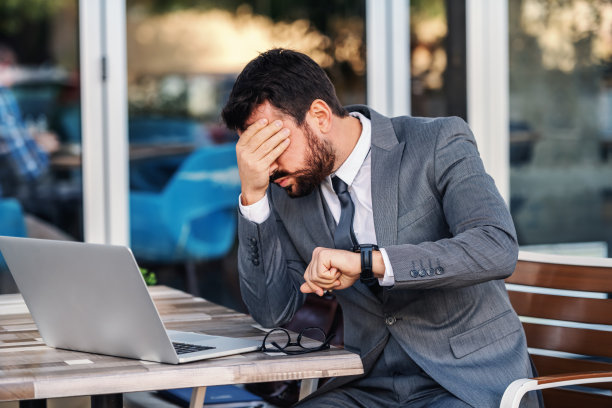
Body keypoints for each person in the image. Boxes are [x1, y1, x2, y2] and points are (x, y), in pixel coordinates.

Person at [222, 48, 539, 407]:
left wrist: (369, 262)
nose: (268, 165)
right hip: (368, 385)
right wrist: (252, 195)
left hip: (464, 381)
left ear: (320, 116)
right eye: (254, 150)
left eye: (272, 144)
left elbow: (494, 246)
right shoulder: (286, 188)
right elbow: (270, 311)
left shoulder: (437, 143)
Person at [0, 43, 70, 240]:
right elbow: (29, 168)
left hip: (9, 206)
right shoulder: (2, 96)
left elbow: (10, 138)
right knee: (66, 246)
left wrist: (31, 139)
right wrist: (41, 149)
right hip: (9, 212)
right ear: (5, 66)